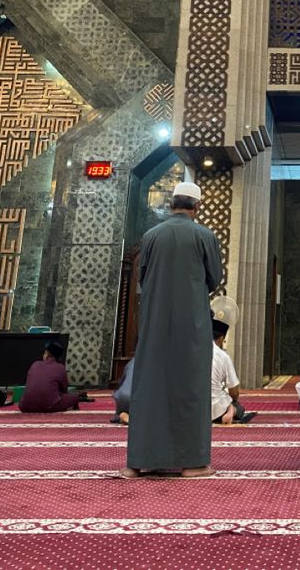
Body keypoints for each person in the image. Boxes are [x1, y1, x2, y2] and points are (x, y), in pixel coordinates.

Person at [122, 181, 222, 479]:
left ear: (172, 204)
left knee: (150, 387)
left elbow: (142, 278)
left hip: (154, 324)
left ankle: (138, 461)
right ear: (197, 207)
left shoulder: (151, 236)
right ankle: (192, 463)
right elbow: (214, 279)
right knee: (190, 388)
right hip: (192, 326)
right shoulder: (204, 235)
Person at [211, 319, 255, 424]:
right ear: (221, 339)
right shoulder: (223, 356)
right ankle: (231, 411)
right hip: (217, 411)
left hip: (193, 409)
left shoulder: (193, 351)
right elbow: (234, 393)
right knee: (239, 408)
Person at [19, 341, 80, 413]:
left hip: (25, 406)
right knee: (75, 397)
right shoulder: (60, 367)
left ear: (46, 354)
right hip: (50, 406)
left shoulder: (35, 364)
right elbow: (63, 390)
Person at [111, 358, 133, 424]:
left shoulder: (131, 362)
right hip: (140, 401)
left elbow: (121, 384)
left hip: (122, 398)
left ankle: (121, 415)